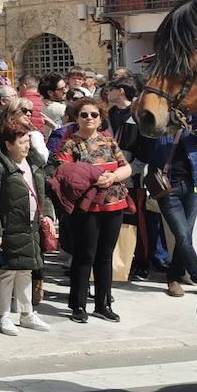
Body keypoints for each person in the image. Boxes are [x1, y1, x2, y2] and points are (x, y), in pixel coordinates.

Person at [51, 99, 132, 324]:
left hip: (114, 203)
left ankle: (102, 304)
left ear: (101, 118)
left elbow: (126, 167)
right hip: (87, 208)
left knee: (105, 257)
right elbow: (65, 174)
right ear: (76, 118)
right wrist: (96, 176)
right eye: (84, 114)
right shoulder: (69, 144)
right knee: (85, 255)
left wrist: (114, 176)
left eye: (94, 115)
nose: (89, 118)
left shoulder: (108, 141)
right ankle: (78, 305)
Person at [0, 121, 51, 335]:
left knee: (26, 270)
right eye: (21, 142)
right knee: (7, 273)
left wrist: (46, 215)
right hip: (8, 228)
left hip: (30, 227)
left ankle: (27, 313)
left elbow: (42, 192)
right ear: (9, 144)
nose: (26, 146)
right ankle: (3, 317)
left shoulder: (33, 163)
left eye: (28, 141)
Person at [142, 113, 197, 298]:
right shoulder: (159, 126)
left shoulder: (192, 123)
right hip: (168, 189)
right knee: (182, 235)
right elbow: (150, 139)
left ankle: (173, 277)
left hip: (193, 186)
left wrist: (191, 115)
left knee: (185, 237)